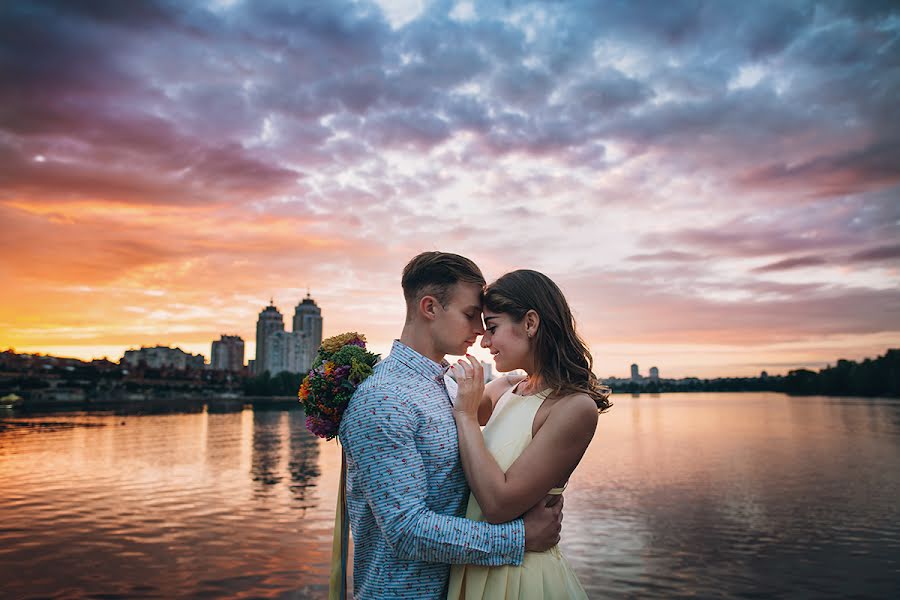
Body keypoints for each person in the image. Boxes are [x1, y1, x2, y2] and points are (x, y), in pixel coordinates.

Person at [338, 253, 564, 600]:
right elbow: (406, 530)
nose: (479, 330)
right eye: (470, 315)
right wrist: (520, 537)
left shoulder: (450, 384)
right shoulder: (383, 399)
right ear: (430, 308)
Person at [446, 269, 612, 599]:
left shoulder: (573, 407)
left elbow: (498, 504)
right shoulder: (507, 387)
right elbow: (440, 402)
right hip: (474, 568)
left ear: (530, 323)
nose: (484, 340)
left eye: (492, 327)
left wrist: (466, 415)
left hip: (520, 580)